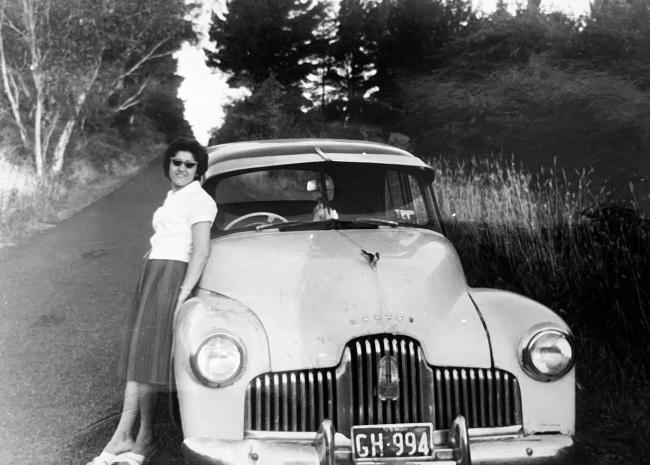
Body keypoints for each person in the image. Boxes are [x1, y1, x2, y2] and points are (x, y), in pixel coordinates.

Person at [87, 138, 217, 465]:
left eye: (190, 164)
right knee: (141, 359)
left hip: (171, 278)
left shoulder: (199, 200)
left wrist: (183, 292)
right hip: (155, 274)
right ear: (169, 165)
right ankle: (138, 437)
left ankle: (128, 437)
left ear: (199, 169)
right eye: (177, 162)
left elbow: (201, 251)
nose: (182, 169)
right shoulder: (175, 195)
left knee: (146, 359)